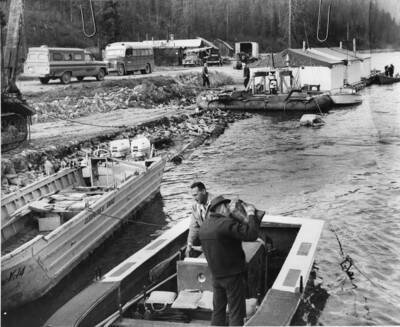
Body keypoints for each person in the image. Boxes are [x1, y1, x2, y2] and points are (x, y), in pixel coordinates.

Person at [199, 197, 262, 326]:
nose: (229, 209)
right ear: (221, 208)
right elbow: (252, 234)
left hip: (216, 276)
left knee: (218, 311)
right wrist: (250, 213)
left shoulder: (204, 226)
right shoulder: (225, 224)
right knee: (235, 313)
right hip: (232, 276)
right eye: (227, 207)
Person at [186, 181, 214, 257]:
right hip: (207, 239)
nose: (194, 198)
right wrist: (189, 244)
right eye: (193, 196)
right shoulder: (195, 206)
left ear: (204, 191)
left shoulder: (216, 203)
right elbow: (194, 227)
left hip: (218, 240)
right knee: (189, 251)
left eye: (196, 195)